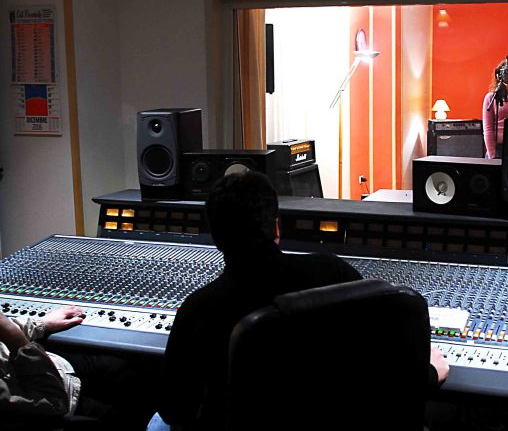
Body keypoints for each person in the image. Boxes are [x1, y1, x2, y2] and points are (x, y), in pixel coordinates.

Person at [156, 171, 449, 430]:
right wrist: (428, 373)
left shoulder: (197, 310)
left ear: (216, 238)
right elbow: (385, 360)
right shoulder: (333, 272)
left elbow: (174, 410)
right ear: (276, 228)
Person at [0, 252, 155, 429]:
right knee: (132, 416)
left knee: (127, 371)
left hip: (54, 369)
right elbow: (52, 403)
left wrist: (43, 323)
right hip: (61, 398)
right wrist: (16, 340)